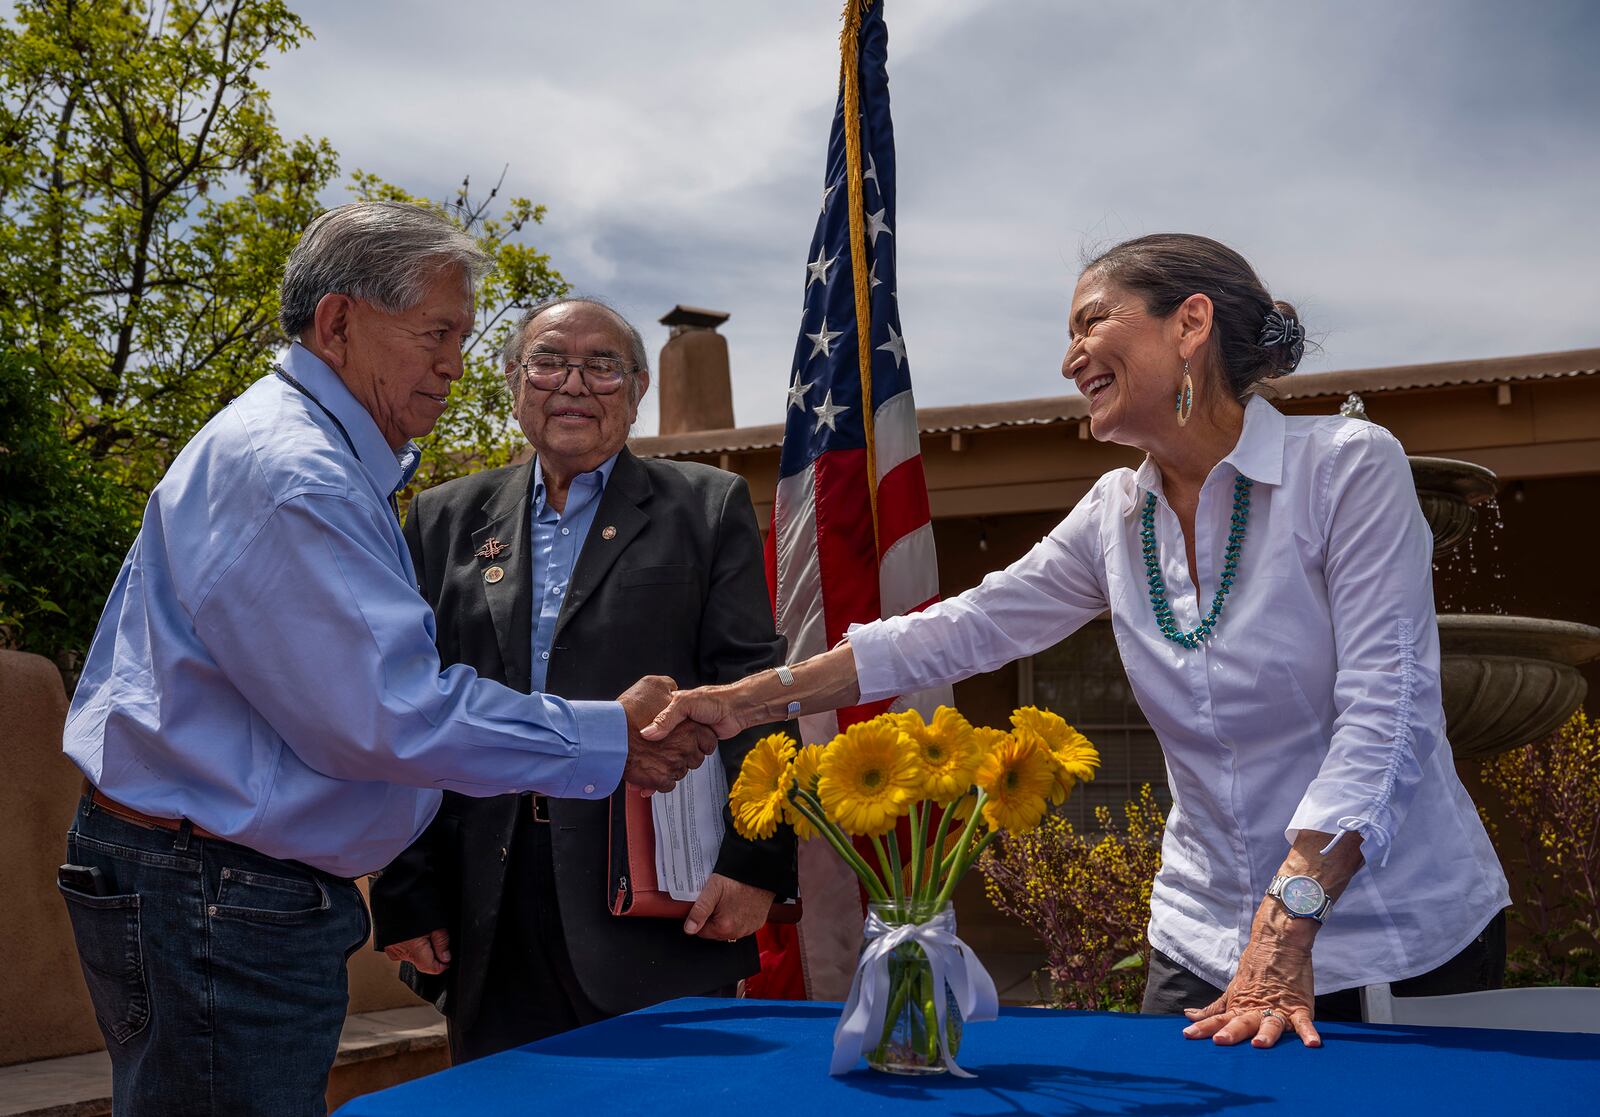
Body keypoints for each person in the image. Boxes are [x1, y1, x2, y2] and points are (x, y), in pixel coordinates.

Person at [646, 233, 1511, 1049]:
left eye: (1092, 320)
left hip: (1398, 936)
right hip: (1201, 936)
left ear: (1191, 323)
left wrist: (1286, 925)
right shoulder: (1114, 514)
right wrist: (737, 701)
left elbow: (1385, 718)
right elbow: (959, 631)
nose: (1070, 358)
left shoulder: (1348, 466)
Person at [58, 202, 716, 1117]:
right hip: (217, 892)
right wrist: (611, 737)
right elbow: (390, 712)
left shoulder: (312, 457)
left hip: (220, 883)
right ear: (339, 323)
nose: (453, 365)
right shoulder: (299, 474)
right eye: (437, 334)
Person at [367, 297, 795, 1062]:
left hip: (658, 895)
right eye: (549, 360)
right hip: (489, 903)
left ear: (637, 393)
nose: (574, 382)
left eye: (603, 365)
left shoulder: (705, 506)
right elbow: (409, 704)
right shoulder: (442, 518)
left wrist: (754, 860)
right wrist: (407, 886)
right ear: (514, 382)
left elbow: (756, 689)